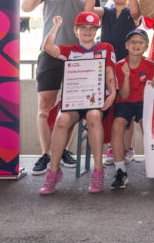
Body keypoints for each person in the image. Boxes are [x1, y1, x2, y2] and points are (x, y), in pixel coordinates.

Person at [21, 0, 100, 176]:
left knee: (72, 105)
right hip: (51, 53)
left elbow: (96, 18)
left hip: (79, 55)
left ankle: (63, 150)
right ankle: (46, 154)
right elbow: (25, 6)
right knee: (45, 105)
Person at [38, 11, 116, 194]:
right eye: (83, 28)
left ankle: (98, 170)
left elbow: (109, 73)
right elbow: (48, 47)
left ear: (97, 30)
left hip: (96, 100)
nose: (87, 31)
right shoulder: (69, 51)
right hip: (75, 100)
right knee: (61, 120)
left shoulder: (106, 47)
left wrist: (112, 93)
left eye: (91, 28)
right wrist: (56, 26)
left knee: (94, 115)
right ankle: (53, 171)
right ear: (76, 30)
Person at [85, 0, 142, 167]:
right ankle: (113, 146)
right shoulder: (106, 12)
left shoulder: (131, 13)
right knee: (110, 106)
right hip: (106, 64)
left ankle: (127, 148)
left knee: (128, 105)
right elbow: (87, 12)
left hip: (127, 64)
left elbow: (135, 12)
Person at [110, 28, 154, 189]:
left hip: (143, 101)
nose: (136, 45)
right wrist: (127, 77)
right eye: (133, 42)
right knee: (117, 125)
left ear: (146, 46)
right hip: (125, 102)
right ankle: (120, 171)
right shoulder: (120, 66)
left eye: (140, 42)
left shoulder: (150, 65)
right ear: (126, 45)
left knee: (147, 123)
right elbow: (123, 95)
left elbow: (150, 92)